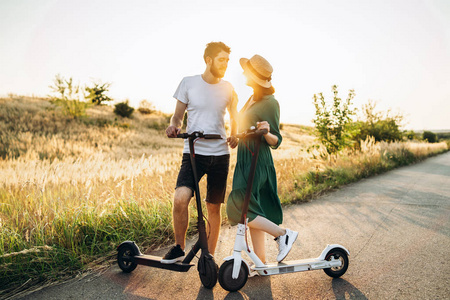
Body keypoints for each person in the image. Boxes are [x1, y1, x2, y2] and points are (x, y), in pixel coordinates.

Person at [163, 42, 238, 264]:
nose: (225, 64)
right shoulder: (189, 83)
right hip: (194, 153)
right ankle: (178, 247)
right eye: (222, 59)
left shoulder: (229, 87)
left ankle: (209, 258)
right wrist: (174, 126)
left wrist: (234, 133)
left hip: (220, 155)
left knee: (213, 208)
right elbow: (177, 116)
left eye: (227, 60)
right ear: (209, 60)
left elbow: (235, 117)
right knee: (180, 198)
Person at [226, 54, 298, 264]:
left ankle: (283, 234)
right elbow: (245, 126)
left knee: (239, 205)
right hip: (245, 158)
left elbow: (276, 139)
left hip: (258, 160)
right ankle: (261, 261)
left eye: (246, 71)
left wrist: (266, 132)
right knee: (254, 209)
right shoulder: (251, 98)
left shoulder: (270, 103)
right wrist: (236, 137)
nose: (242, 73)